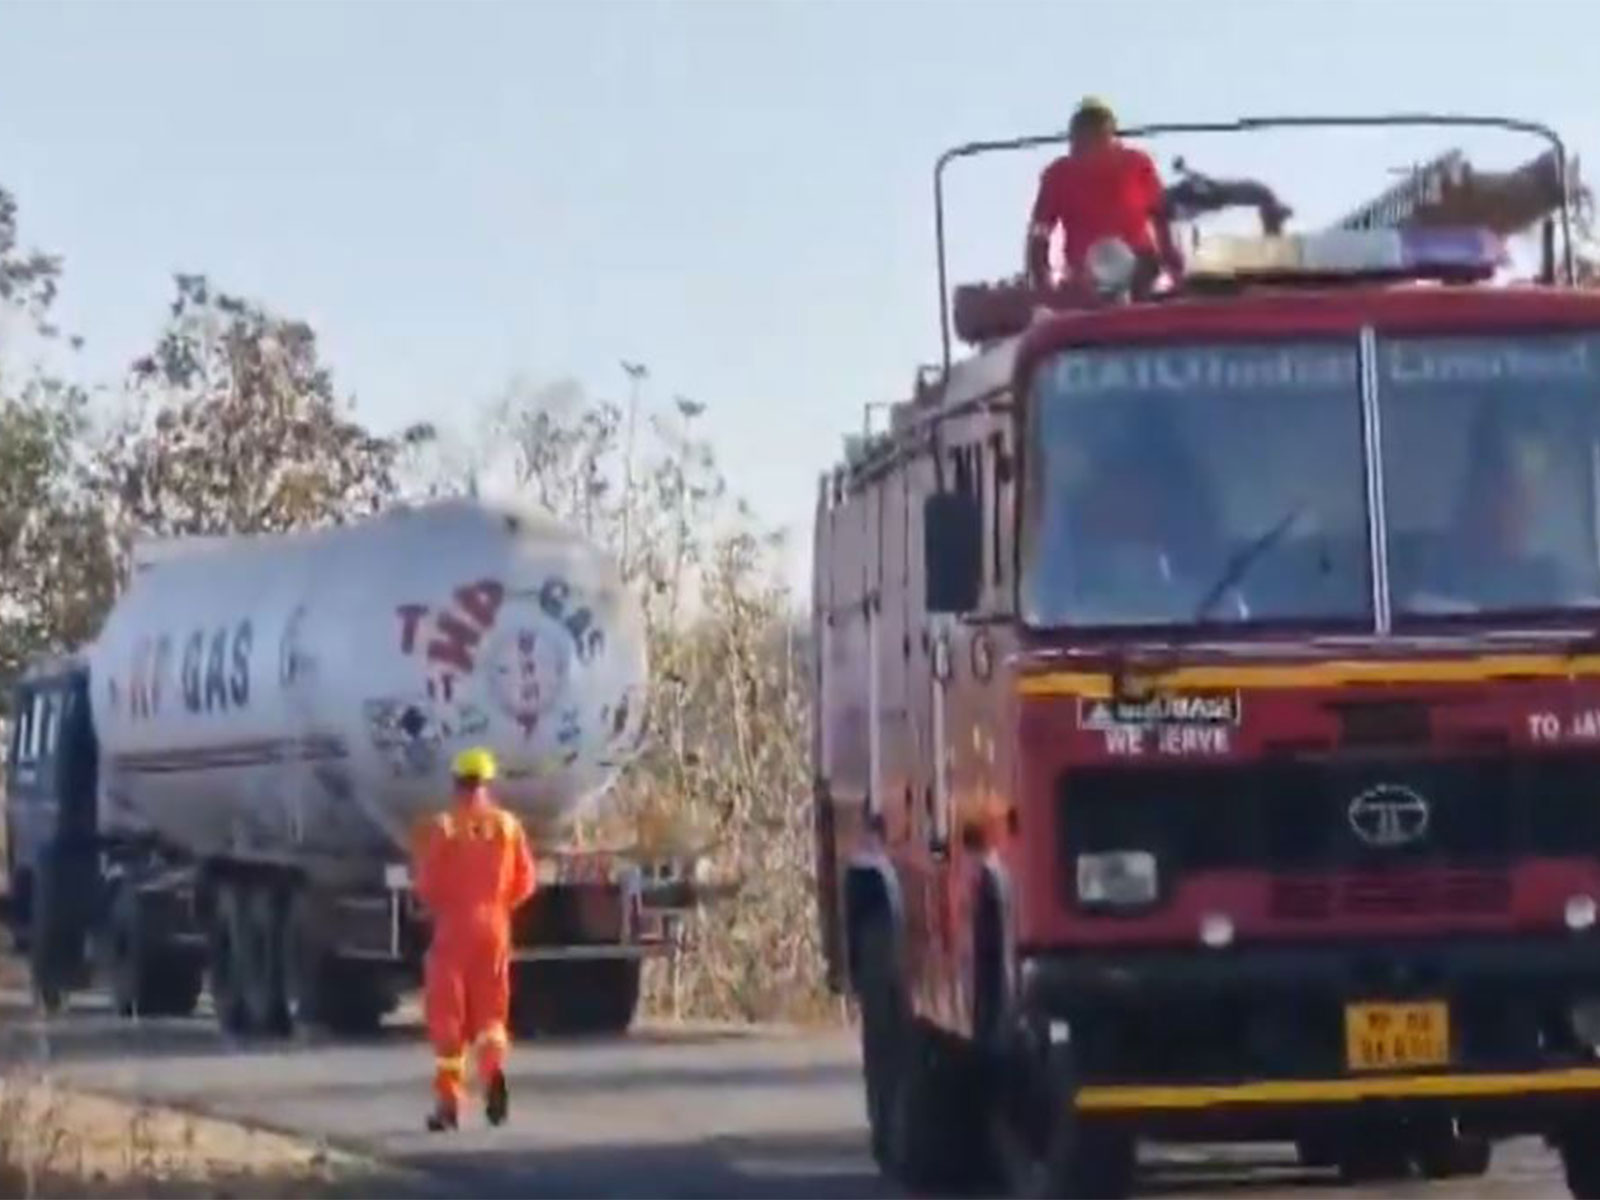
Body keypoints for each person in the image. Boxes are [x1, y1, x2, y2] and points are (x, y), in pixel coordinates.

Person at [413, 746, 537, 1132]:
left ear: (456, 782)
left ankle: (449, 1102)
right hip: (496, 927)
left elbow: (427, 885)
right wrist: (498, 905)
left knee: (448, 1015)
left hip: (454, 927)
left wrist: (447, 906)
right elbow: (526, 882)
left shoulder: (445, 826)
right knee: (491, 1014)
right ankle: (493, 1070)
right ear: (487, 783)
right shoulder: (508, 825)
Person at [1026, 97, 1184, 294]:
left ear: (1110, 131)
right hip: (1084, 276)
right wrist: (1041, 279)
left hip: (1141, 267)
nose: (1090, 133)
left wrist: (1174, 266)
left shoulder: (1136, 163)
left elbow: (1161, 215)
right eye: (1084, 126)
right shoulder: (1058, 174)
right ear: (1074, 134)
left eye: (1096, 124)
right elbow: (1040, 230)